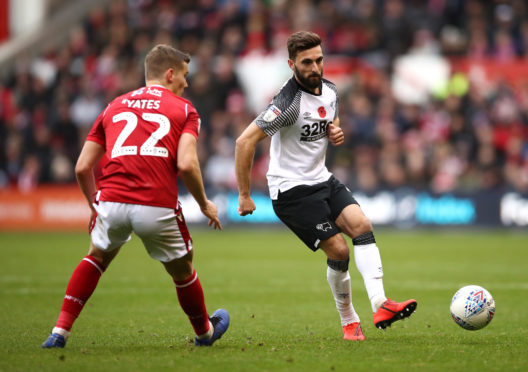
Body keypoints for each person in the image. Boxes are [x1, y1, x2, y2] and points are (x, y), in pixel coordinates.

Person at [42, 44, 229, 348]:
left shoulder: (114, 105)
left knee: (96, 256)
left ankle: (59, 332)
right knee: (183, 268)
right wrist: (205, 203)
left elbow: (81, 167)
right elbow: (185, 163)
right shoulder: (185, 109)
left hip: (112, 199)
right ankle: (205, 332)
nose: (187, 82)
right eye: (184, 75)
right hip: (155, 204)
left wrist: (94, 205)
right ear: (170, 74)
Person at [235, 31, 416, 341]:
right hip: (291, 191)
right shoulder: (287, 103)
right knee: (339, 250)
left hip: (321, 178)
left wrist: (335, 133)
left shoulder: (331, 90)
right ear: (292, 64)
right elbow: (244, 141)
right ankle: (349, 320)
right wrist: (244, 194)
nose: (315, 67)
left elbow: (329, 122)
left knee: (361, 224)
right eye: (307, 62)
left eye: (319, 60)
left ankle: (381, 304)